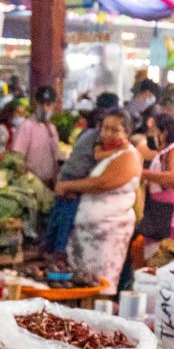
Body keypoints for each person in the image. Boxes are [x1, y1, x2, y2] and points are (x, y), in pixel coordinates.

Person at [56, 108, 141, 287]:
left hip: (107, 236)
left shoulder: (129, 156)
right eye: (105, 128)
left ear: (127, 132)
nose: (108, 134)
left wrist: (67, 186)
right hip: (87, 236)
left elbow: (102, 183)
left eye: (115, 130)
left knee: (100, 287)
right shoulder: (105, 153)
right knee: (82, 285)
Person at [50, 92, 120, 256]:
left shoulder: (85, 133)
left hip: (67, 175)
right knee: (67, 222)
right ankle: (59, 252)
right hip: (75, 180)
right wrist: (123, 151)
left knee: (59, 219)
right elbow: (96, 159)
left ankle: (52, 248)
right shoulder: (97, 138)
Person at [133, 111, 174, 252]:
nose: (151, 136)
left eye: (154, 131)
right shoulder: (164, 151)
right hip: (159, 211)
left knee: (167, 256)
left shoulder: (173, 148)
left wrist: (141, 173)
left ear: (164, 132)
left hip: (169, 213)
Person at [8, 85, 61, 187]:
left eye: (48, 104)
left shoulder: (52, 129)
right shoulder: (26, 127)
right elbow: (17, 159)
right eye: (41, 104)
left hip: (50, 184)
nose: (45, 108)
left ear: (54, 105)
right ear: (36, 102)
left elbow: (55, 158)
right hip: (31, 184)